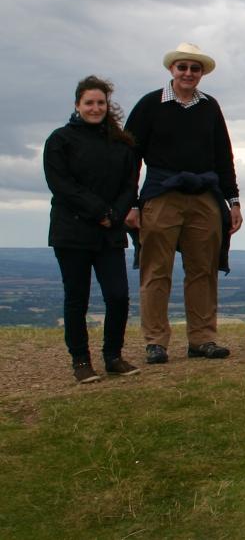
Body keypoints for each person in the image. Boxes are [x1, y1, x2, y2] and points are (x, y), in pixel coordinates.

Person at [124, 43, 241, 365]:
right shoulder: (150, 105)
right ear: (172, 70)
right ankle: (155, 342)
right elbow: (129, 156)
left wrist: (233, 201)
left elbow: (223, 156)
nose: (188, 73)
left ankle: (202, 339)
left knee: (203, 270)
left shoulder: (209, 107)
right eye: (183, 67)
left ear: (201, 73)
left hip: (204, 196)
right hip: (161, 193)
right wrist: (131, 203)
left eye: (195, 68)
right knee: (156, 270)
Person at [44, 76, 141, 383]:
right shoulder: (60, 140)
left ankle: (113, 356)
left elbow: (130, 184)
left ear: (107, 105)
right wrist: (100, 211)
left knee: (118, 296)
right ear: (77, 105)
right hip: (71, 232)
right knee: (77, 298)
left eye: (100, 103)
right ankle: (81, 361)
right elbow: (61, 185)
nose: (95, 108)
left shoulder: (122, 143)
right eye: (89, 103)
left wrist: (113, 215)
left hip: (109, 231)